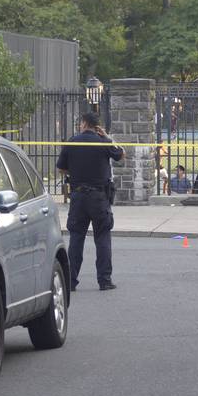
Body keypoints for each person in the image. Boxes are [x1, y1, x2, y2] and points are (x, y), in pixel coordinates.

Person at [56, 112, 124, 291]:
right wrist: (108, 137)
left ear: (84, 123)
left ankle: (71, 281)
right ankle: (104, 280)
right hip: (99, 197)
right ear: (96, 126)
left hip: (78, 197)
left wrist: (75, 172)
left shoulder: (73, 141)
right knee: (102, 238)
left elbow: (61, 168)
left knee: (76, 238)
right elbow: (121, 154)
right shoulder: (103, 142)